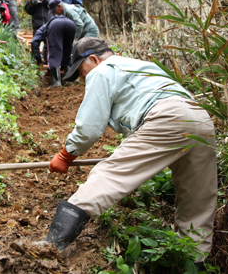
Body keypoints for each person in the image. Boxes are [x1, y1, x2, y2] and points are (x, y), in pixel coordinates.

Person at [37, 37, 217, 270]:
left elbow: (90, 127)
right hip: (200, 119)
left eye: (80, 71)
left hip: (167, 117)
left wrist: (65, 155)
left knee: (111, 173)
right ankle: (196, 264)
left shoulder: (102, 71)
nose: (82, 78)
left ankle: (52, 244)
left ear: (93, 59)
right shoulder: (144, 65)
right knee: (198, 199)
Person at [30, 15, 76, 87]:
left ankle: (56, 82)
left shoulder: (43, 29)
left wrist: (38, 59)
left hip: (56, 25)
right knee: (67, 51)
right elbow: (71, 48)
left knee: (53, 53)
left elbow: (34, 42)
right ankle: (67, 80)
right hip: (71, 24)